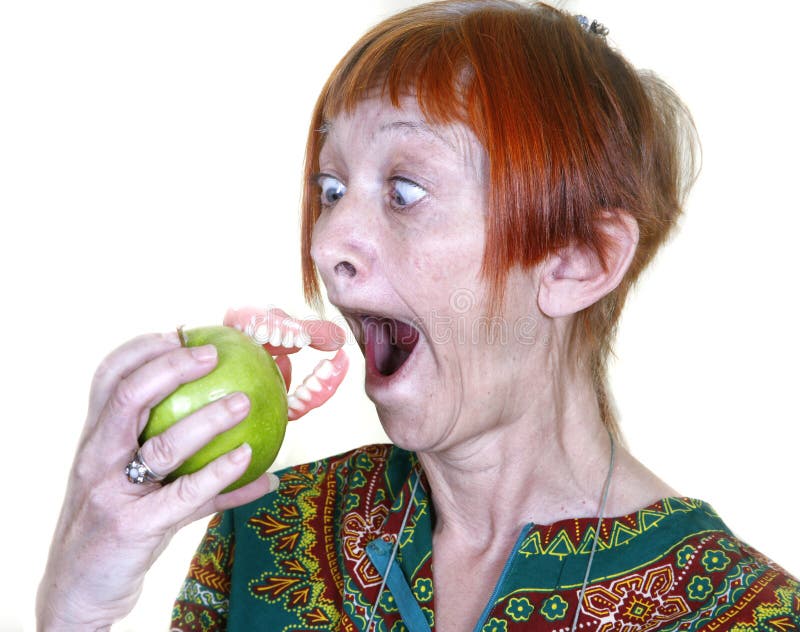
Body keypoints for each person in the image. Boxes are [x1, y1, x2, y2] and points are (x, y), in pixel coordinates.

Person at [37, 1, 799, 630]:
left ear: (577, 261)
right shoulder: (268, 531)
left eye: (405, 190)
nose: (328, 242)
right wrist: (76, 603)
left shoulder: (748, 615)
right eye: (330, 188)